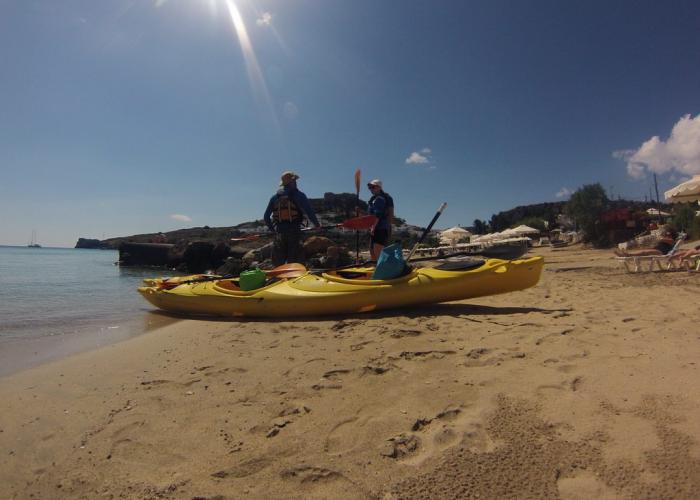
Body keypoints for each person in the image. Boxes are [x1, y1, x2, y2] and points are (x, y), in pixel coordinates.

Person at [263, 171, 321, 265]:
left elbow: (266, 217)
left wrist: (273, 230)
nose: (296, 183)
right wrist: (317, 225)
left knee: (278, 264)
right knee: (296, 263)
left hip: (279, 234)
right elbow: (309, 212)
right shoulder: (300, 195)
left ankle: (278, 277)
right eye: (295, 181)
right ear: (292, 182)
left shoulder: (274, 198)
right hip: (294, 232)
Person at [366, 179, 394, 260]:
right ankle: (376, 268)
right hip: (375, 228)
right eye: (370, 187)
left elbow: (378, 214)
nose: (371, 189)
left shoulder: (380, 199)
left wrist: (373, 227)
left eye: (373, 187)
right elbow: (370, 215)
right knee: (371, 250)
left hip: (380, 228)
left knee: (377, 251)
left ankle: (384, 270)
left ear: (379, 187)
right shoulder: (373, 199)